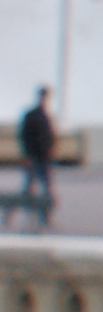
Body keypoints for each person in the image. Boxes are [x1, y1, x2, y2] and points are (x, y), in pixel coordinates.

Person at [11, 88, 52, 229]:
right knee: (29, 188)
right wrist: (27, 155)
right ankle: (12, 213)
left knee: (45, 188)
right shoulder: (32, 115)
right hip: (34, 157)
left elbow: (48, 136)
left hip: (44, 158)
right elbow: (24, 136)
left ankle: (45, 217)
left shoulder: (45, 115)